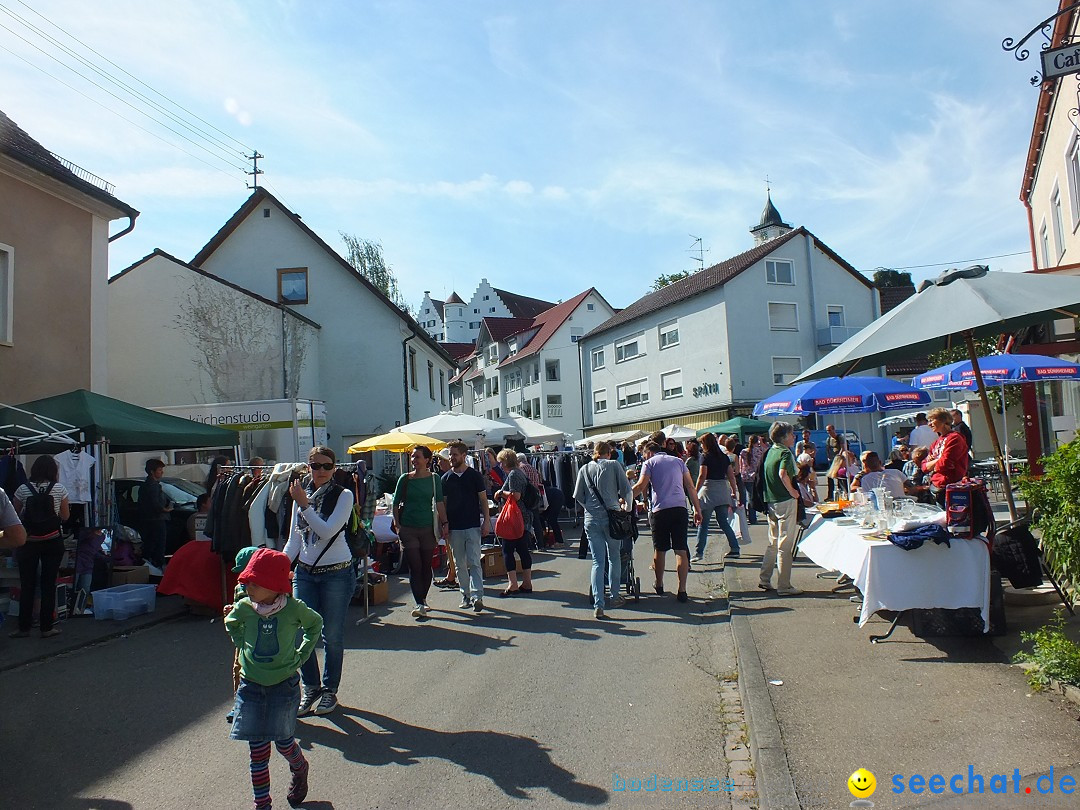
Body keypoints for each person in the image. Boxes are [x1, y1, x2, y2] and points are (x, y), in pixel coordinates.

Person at [225, 548, 322, 810]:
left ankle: (300, 768)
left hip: (284, 686)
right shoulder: (245, 607)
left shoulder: (293, 609)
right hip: (251, 686)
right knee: (257, 752)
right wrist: (242, 643)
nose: (249, 587)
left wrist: (301, 655)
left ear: (275, 586)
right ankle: (262, 804)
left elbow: (315, 625)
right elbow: (231, 622)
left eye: (255, 583)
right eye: (247, 582)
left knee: (284, 743)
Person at [284, 446, 355, 716]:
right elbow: (294, 540)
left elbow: (326, 532)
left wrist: (304, 504)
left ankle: (329, 691)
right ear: (308, 466)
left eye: (327, 466)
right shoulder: (299, 493)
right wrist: (277, 567)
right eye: (316, 466)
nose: (321, 471)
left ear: (334, 468)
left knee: (332, 636)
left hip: (337, 572)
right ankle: (310, 687)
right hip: (305, 573)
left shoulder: (343, 495)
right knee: (302, 635)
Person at [632, 432, 702, 603]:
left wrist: (625, 498)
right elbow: (691, 487)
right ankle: (682, 590)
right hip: (679, 508)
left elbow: (641, 485)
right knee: (680, 549)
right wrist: (697, 510)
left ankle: (659, 583)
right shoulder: (678, 461)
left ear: (649, 452)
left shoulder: (649, 463)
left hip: (660, 510)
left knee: (660, 550)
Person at [10, 456, 70, 638]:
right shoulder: (59, 489)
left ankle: (24, 627)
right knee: (48, 583)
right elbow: (65, 516)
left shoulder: (22, 489)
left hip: (29, 542)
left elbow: (14, 515)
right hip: (53, 541)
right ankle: (47, 627)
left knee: (27, 584)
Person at [573, 441, 632, 619]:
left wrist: (589, 509)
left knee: (598, 562)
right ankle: (614, 595)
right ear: (609, 453)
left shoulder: (584, 469)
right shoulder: (614, 465)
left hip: (591, 520)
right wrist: (627, 508)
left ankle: (599, 603)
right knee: (614, 556)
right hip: (612, 517)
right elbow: (627, 491)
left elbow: (578, 496)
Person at [391, 445, 448, 619]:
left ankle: (423, 598)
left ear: (427, 460)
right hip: (408, 528)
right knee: (415, 566)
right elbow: (395, 503)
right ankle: (419, 603)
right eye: (412, 457)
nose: (414, 460)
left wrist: (445, 522)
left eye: (417, 457)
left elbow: (439, 502)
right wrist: (398, 524)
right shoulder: (405, 478)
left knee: (425, 565)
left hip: (428, 527)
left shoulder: (434, 479)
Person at [441, 441, 490, 613]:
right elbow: (443, 505)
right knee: (459, 563)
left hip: (472, 524)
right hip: (455, 527)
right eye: (450, 454)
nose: (451, 458)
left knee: (474, 561)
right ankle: (466, 595)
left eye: (454, 454)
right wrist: (444, 524)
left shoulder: (475, 476)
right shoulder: (445, 478)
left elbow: (483, 500)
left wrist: (487, 521)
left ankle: (478, 596)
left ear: (463, 456)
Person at [758, 421, 803, 596]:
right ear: (784, 437)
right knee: (785, 543)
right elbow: (783, 474)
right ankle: (784, 585)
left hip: (771, 500)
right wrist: (793, 492)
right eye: (792, 435)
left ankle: (764, 578)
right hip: (785, 500)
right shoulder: (784, 452)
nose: (794, 437)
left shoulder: (771, 451)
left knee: (773, 541)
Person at [693, 432, 740, 561]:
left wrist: (695, 491)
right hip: (722, 491)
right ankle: (735, 548)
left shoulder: (705, 457)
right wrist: (734, 491)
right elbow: (731, 475)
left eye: (702, 443)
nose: (701, 446)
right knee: (724, 522)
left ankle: (699, 552)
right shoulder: (724, 457)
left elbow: (702, 475)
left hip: (709, 490)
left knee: (703, 524)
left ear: (706, 444)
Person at [493, 449, 534, 595]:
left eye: (501, 461)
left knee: (508, 550)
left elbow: (515, 495)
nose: (500, 464)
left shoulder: (513, 474)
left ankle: (513, 584)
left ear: (505, 461)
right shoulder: (520, 472)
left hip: (515, 517)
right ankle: (527, 583)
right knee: (523, 550)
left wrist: (500, 493)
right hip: (523, 517)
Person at [923, 408, 970, 507]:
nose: (929, 424)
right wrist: (936, 461)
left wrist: (932, 463)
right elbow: (923, 466)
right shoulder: (936, 442)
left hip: (950, 488)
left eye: (932, 420)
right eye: (928, 421)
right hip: (936, 487)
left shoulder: (955, 438)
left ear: (944, 420)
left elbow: (945, 464)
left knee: (949, 519)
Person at [138, 458, 172, 572]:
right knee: (159, 545)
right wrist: (164, 509)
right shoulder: (153, 486)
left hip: (149, 519)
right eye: (159, 470)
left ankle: (150, 564)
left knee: (150, 544)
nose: (162, 472)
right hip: (157, 519)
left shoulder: (147, 485)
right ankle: (158, 567)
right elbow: (155, 503)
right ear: (152, 471)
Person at [741, 436, 764, 525]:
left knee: (749, 496)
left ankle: (750, 517)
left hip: (746, 475)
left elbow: (741, 464)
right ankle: (753, 517)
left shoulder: (743, 452)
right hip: (756, 475)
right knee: (755, 496)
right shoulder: (760, 450)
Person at [824, 425, 846, 501]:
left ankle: (841, 493)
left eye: (829, 430)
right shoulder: (829, 439)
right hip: (832, 460)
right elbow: (827, 448)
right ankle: (830, 495)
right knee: (830, 476)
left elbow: (843, 448)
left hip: (839, 459)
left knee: (839, 476)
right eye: (827, 431)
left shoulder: (839, 437)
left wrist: (839, 456)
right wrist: (828, 456)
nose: (828, 432)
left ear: (833, 430)